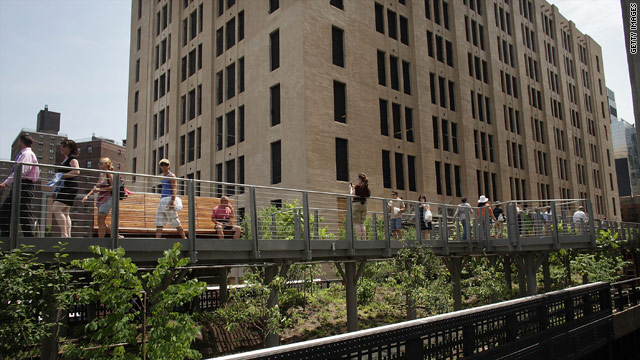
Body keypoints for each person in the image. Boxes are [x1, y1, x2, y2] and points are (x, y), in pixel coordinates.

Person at [0, 135, 39, 237]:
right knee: (8, 212)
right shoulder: (25, 154)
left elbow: (21, 171)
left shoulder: (27, 154)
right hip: (20, 185)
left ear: (20, 142)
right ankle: (7, 240)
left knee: (22, 213)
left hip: (24, 185)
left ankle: (29, 241)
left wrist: (6, 183)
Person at [82, 158, 121, 238]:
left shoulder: (109, 173)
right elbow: (96, 187)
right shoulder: (101, 174)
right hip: (101, 199)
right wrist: (87, 195)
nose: (99, 165)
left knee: (101, 219)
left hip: (107, 198)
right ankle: (114, 235)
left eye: (101, 163)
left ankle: (102, 239)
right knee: (100, 220)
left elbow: (113, 186)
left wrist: (100, 189)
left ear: (106, 164)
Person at [51, 140, 80, 237]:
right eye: (61, 146)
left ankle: (64, 234)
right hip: (63, 187)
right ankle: (68, 235)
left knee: (55, 208)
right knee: (65, 212)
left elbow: (76, 171)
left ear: (70, 148)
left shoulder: (72, 158)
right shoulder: (65, 159)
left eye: (65, 146)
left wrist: (62, 176)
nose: (62, 148)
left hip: (69, 187)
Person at [155, 159, 186, 239]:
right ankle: (156, 241)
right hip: (162, 201)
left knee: (175, 220)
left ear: (169, 166)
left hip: (169, 200)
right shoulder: (163, 177)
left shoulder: (171, 176)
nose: (164, 166)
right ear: (160, 166)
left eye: (166, 164)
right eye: (162, 164)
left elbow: (174, 188)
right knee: (159, 221)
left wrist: (172, 201)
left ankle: (184, 238)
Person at [350, 173, 371, 240]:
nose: (357, 180)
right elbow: (368, 195)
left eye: (357, 179)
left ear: (360, 180)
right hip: (364, 205)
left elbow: (351, 195)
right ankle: (364, 238)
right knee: (362, 223)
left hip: (357, 205)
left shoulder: (357, 187)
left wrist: (351, 188)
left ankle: (359, 239)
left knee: (357, 223)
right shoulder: (366, 187)